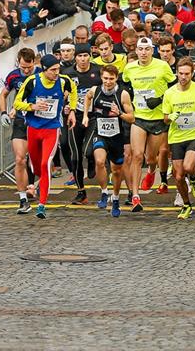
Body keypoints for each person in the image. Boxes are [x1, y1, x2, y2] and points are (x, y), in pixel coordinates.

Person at [13, 54, 76, 219]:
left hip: (52, 129)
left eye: (58, 69)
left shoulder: (64, 81)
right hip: (33, 129)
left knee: (45, 163)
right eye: (53, 70)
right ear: (44, 70)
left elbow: (74, 89)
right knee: (35, 166)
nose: (57, 73)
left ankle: (41, 205)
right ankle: (40, 185)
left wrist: (73, 110)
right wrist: (32, 106)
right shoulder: (32, 82)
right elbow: (17, 103)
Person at [122, 37, 176, 211]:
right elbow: (125, 87)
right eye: (140, 49)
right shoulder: (129, 68)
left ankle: (152, 171)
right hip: (139, 118)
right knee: (137, 155)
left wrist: (160, 99)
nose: (143, 52)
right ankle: (135, 196)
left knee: (151, 158)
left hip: (158, 118)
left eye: (147, 49)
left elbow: (174, 86)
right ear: (135, 51)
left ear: (152, 51)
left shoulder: (162, 66)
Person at [82, 65, 134, 217]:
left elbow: (132, 118)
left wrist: (120, 114)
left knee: (117, 170)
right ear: (101, 77)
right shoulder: (95, 90)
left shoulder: (123, 94)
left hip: (117, 136)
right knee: (99, 161)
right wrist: (86, 115)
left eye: (111, 79)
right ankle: (104, 192)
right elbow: (87, 97)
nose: (108, 82)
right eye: (105, 78)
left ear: (116, 78)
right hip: (100, 132)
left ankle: (116, 198)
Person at [162, 57, 195, 220]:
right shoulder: (169, 93)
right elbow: (165, 118)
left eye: (187, 74)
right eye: (181, 73)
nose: (183, 77)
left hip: (194, 135)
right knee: (179, 176)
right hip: (176, 137)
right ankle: (187, 204)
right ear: (176, 73)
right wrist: (170, 117)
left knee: (189, 167)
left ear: (192, 73)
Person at [61, 43, 102, 204]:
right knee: (75, 157)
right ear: (75, 57)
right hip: (74, 117)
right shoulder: (68, 73)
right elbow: (62, 93)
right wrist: (65, 105)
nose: (83, 59)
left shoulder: (97, 71)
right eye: (80, 56)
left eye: (85, 55)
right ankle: (81, 192)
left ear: (90, 56)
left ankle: (91, 159)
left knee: (87, 151)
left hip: (94, 116)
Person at [0, 48, 38, 214]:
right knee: (20, 159)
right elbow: (3, 95)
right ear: (18, 62)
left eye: (29, 67)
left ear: (34, 62)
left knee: (39, 161)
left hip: (40, 122)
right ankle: (23, 199)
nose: (26, 71)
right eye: (23, 67)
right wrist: (3, 113)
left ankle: (35, 186)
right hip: (21, 121)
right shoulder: (14, 75)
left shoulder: (42, 74)